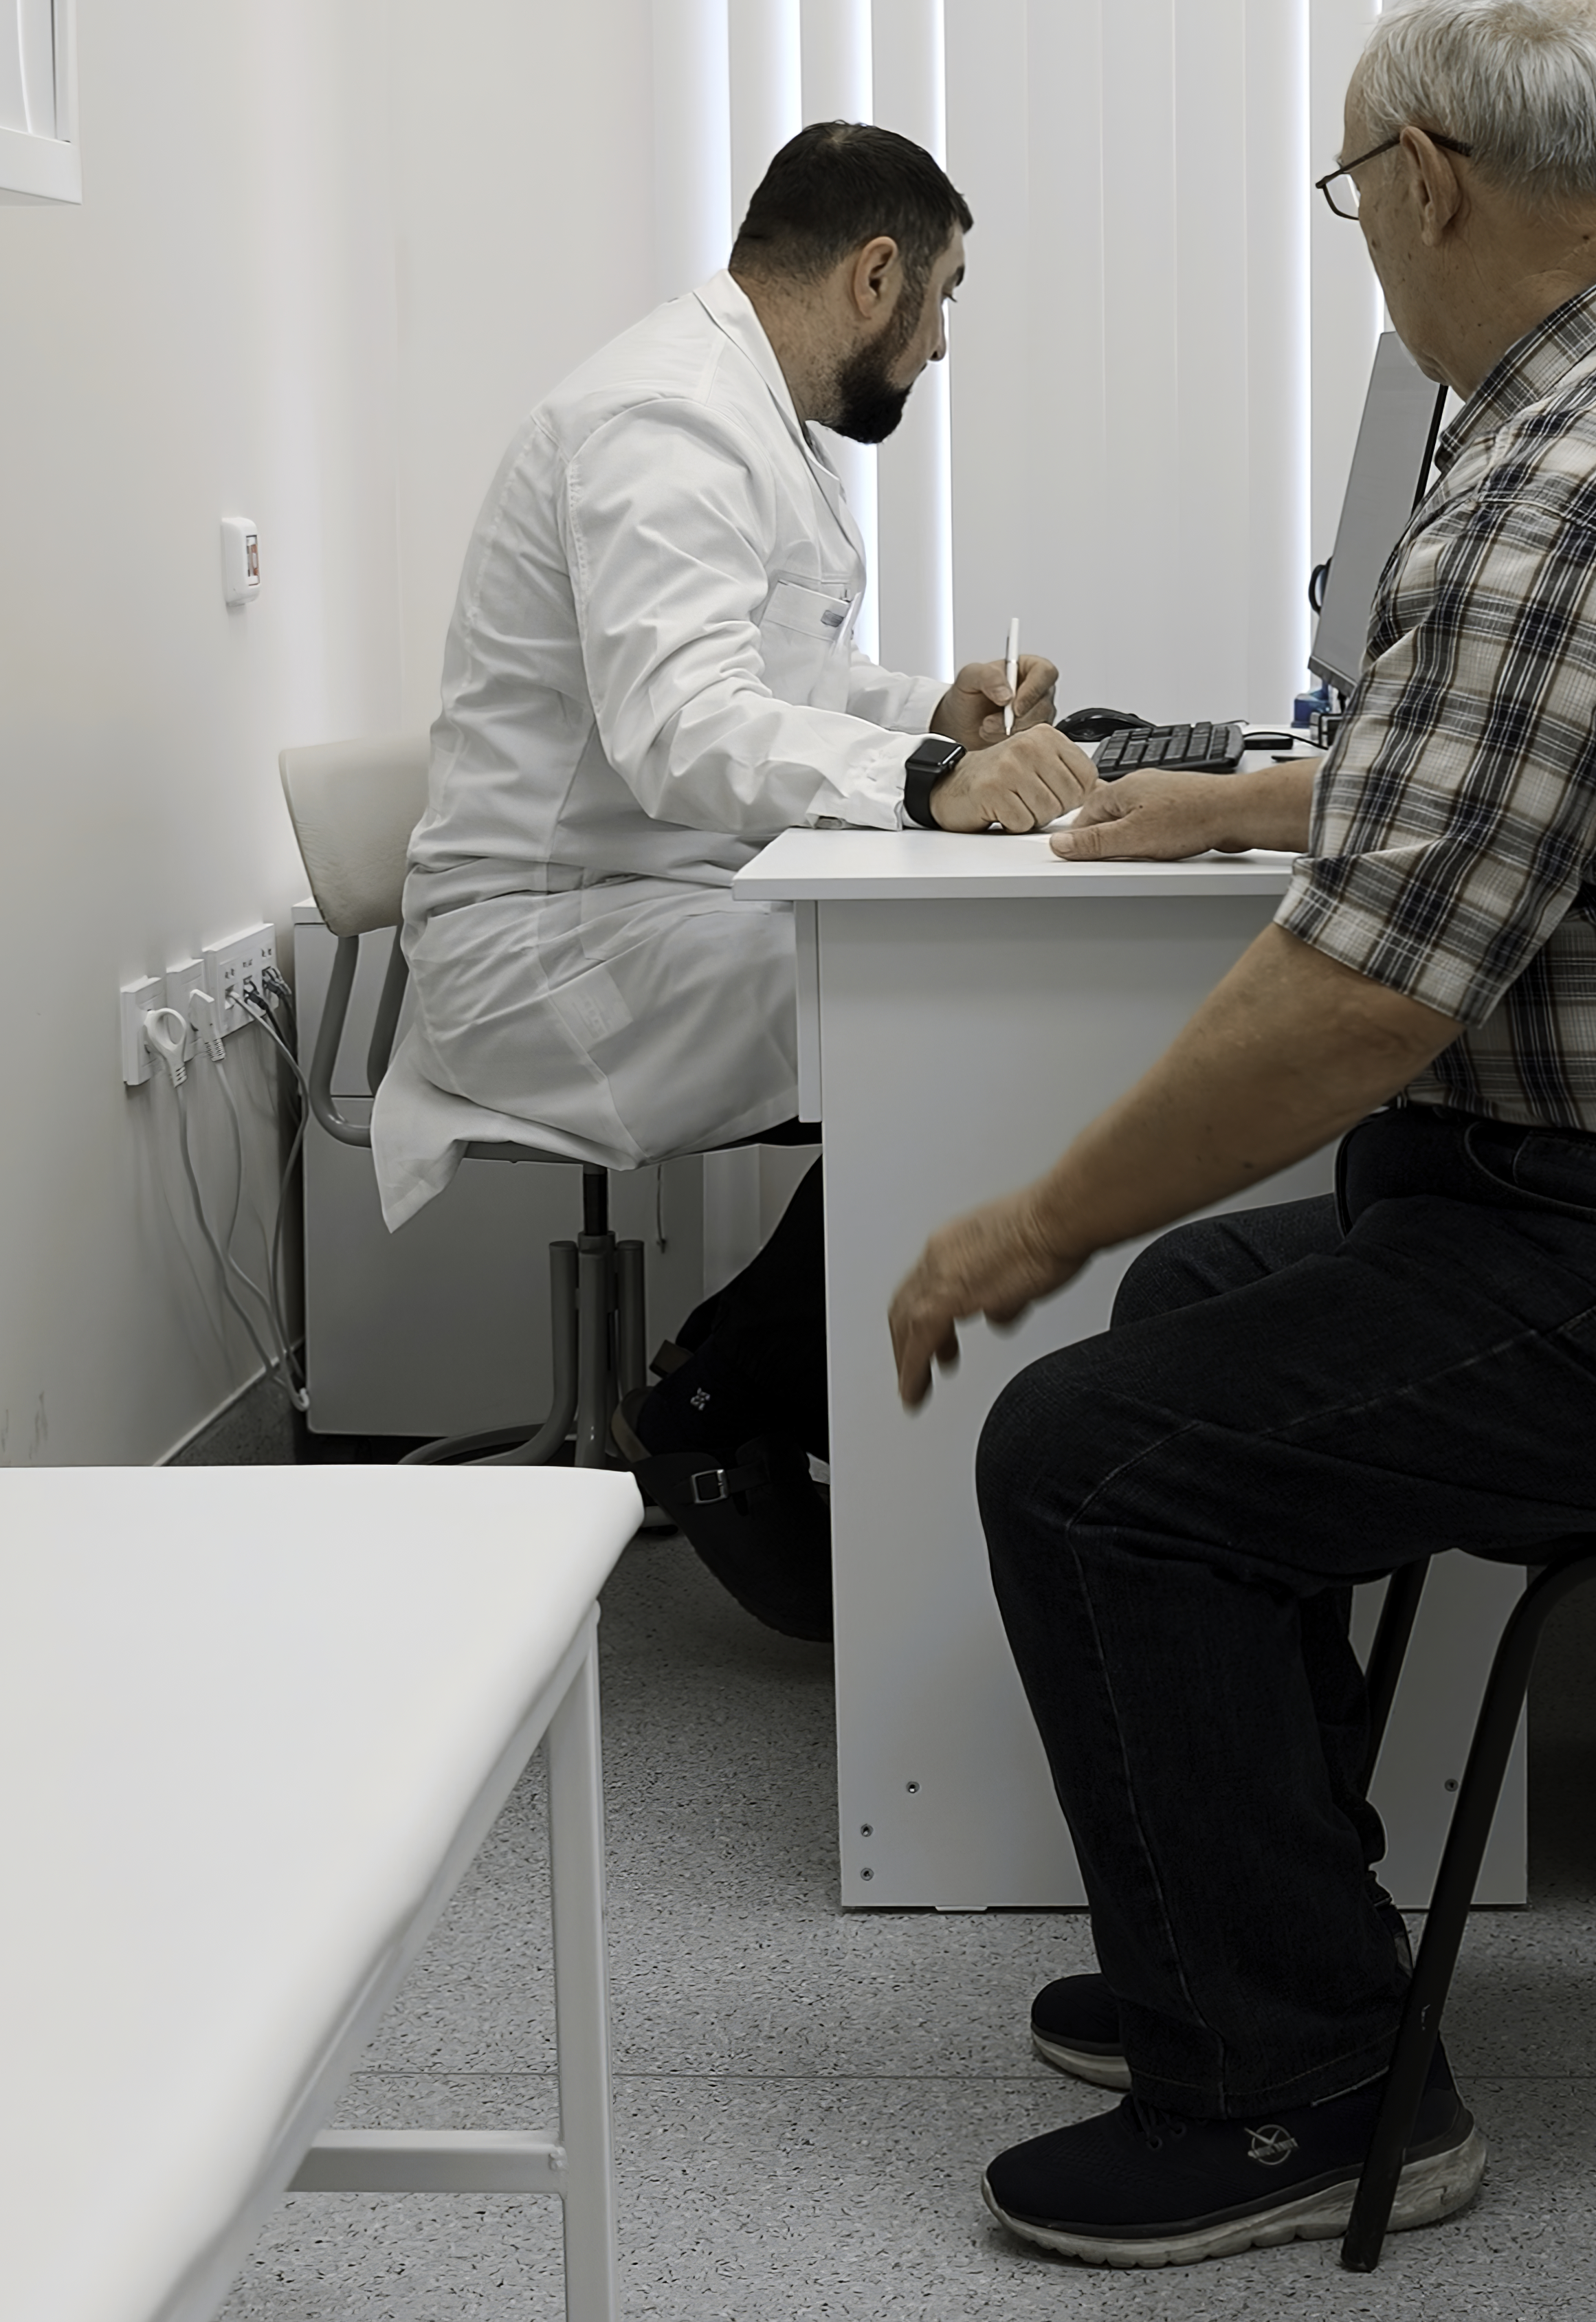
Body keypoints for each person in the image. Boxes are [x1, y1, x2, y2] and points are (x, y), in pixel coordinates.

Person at [883, 0, 1596, 2266]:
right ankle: (1264, 1947)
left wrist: (1036, 1221)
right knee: (1211, 1312)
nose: (1367, 245)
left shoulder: (1568, 481)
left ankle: (1302, 2093)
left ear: (1427, 179)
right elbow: (1536, 787)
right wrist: (1247, 802)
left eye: (1350, 195)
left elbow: (1360, 1005)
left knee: (1093, 1454)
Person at [401, 123, 1102, 1621]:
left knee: (969, 1012)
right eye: (944, 299)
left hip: (650, 904)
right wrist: (928, 780)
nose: (941, 345)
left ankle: (733, 1377)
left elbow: (773, 681)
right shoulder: (666, 420)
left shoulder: (737, 415)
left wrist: (932, 713)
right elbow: (683, 727)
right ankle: (721, 1401)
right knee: (954, 1025)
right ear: (876, 275)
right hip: (551, 952)